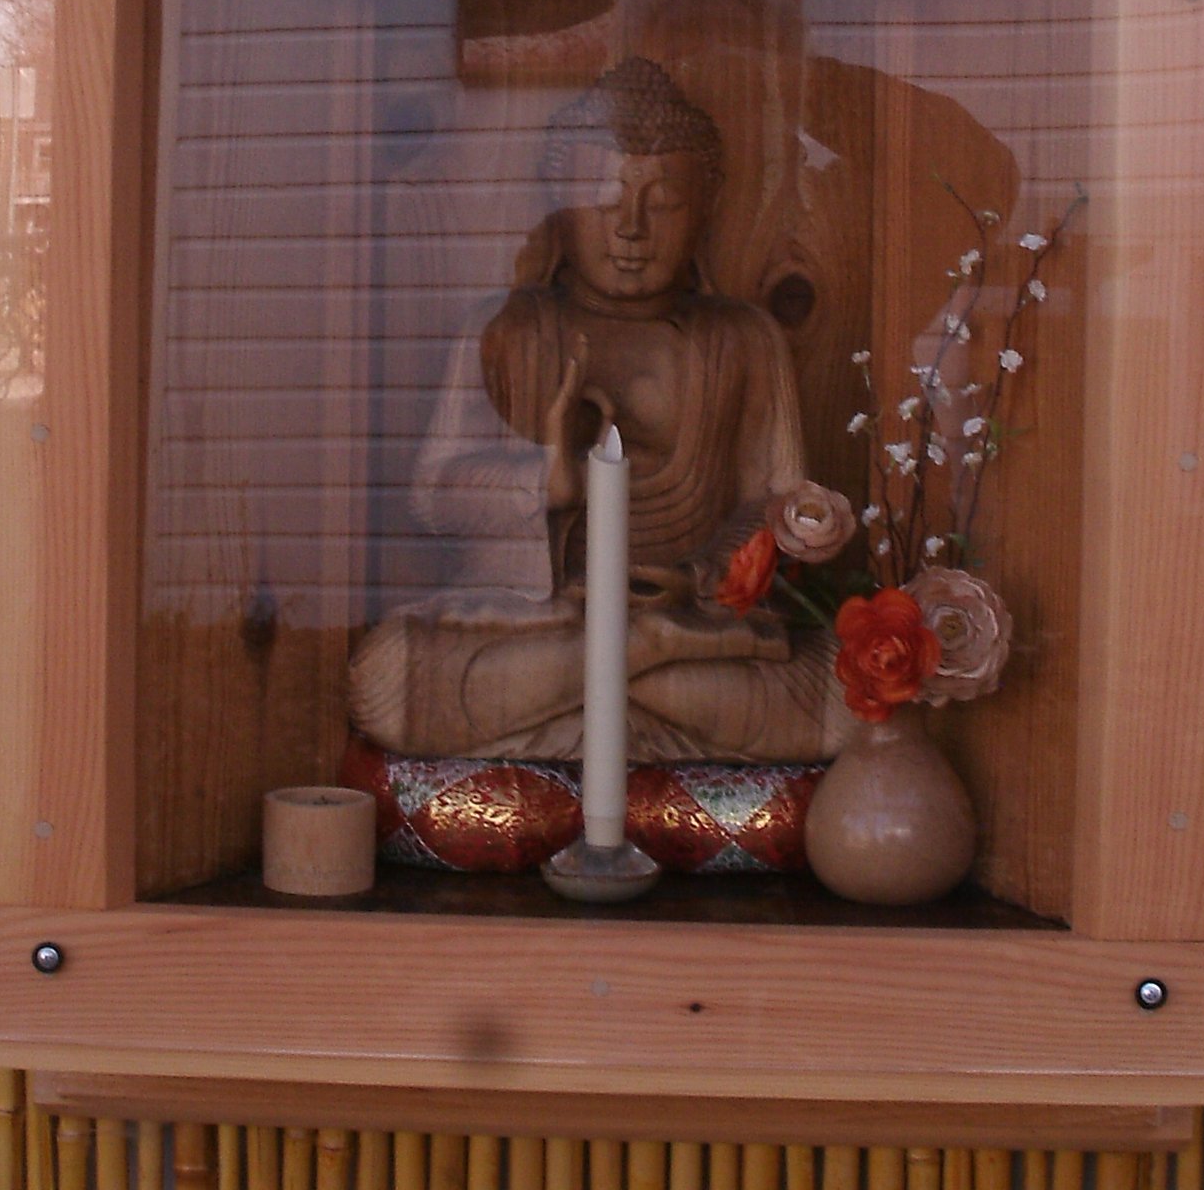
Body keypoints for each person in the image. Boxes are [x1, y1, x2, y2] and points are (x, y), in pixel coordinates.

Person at [346, 56, 843, 762]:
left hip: (688, 627)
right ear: (559, 203)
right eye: (604, 201)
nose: (632, 230)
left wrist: (703, 578)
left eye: (664, 204)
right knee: (387, 677)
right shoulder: (506, 330)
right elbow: (434, 493)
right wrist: (547, 477)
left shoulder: (744, 339)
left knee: (840, 697)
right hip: (538, 620)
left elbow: (774, 502)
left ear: (706, 206)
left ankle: (619, 665)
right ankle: (635, 660)